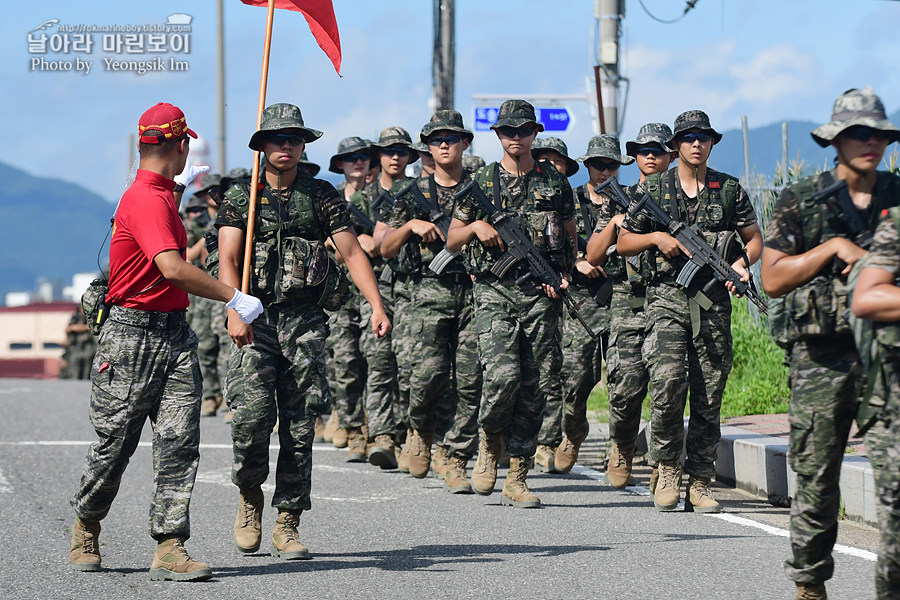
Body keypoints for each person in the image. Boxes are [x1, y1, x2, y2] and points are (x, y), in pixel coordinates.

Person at [69, 102, 264, 580]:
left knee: (179, 441)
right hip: (132, 336)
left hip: (173, 334)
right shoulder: (145, 199)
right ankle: (86, 522)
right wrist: (234, 298)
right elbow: (172, 268)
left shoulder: (159, 194)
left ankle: (170, 545)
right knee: (116, 444)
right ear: (179, 145)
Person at [217, 103, 389, 560]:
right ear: (262, 146)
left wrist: (376, 304)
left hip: (305, 322)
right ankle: (249, 498)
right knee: (252, 421)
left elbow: (351, 253)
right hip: (254, 319)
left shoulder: (321, 195)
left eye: (294, 139)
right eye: (278, 139)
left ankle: (288, 520)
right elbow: (229, 257)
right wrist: (235, 307)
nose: (286, 146)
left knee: (300, 425)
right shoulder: (242, 196)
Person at [763, 87, 900, 600]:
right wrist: (830, 249)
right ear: (836, 140)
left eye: (880, 134)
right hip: (822, 357)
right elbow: (773, 278)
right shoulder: (801, 198)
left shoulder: (897, 196)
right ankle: (810, 582)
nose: (871, 143)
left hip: (888, 357)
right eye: (858, 134)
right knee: (817, 477)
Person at [617, 110, 762, 513]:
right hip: (666, 298)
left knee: (709, 392)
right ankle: (666, 467)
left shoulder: (728, 189)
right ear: (676, 145)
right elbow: (624, 242)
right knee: (666, 384)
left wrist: (742, 265)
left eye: (703, 137)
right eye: (688, 137)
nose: (696, 144)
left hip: (713, 300)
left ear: (712, 143)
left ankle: (700, 480)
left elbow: (754, 240)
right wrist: (657, 237)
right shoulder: (656, 189)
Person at [448, 99, 577, 508]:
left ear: (535, 133)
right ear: (498, 135)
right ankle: (489, 444)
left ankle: (518, 473)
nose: (515, 137)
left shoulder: (554, 183)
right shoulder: (482, 182)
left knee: (535, 384)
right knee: (502, 377)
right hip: (493, 291)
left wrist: (563, 276)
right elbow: (452, 239)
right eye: (507, 131)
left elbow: (570, 239)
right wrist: (478, 225)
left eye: (522, 130)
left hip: (540, 295)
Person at [380, 110, 483, 491]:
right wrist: (409, 226)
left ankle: (455, 456)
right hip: (427, 290)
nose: (444, 145)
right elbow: (385, 249)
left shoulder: (481, 189)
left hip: (474, 291)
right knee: (427, 375)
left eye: (451, 139)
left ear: (464, 144)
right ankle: (420, 429)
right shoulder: (410, 194)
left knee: (471, 379)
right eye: (437, 139)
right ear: (427, 147)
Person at [583, 123, 675, 486]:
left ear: (671, 154)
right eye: (643, 150)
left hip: (667, 296)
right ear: (634, 157)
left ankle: (662, 462)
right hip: (627, 299)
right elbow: (592, 255)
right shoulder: (617, 197)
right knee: (625, 383)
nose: (651, 156)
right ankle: (622, 444)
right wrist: (616, 224)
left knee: (668, 383)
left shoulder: (679, 198)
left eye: (658, 149)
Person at [354, 127, 417, 470]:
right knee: (378, 361)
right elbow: (337, 239)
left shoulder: (420, 192)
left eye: (402, 151)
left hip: (410, 286)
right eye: (388, 151)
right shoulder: (362, 198)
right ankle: (381, 436)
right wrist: (360, 239)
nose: (395, 157)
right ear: (378, 155)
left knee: (408, 364)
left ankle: (410, 434)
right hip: (374, 287)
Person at [528, 136, 583, 473]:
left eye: (556, 162)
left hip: (578, 298)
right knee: (540, 369)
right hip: (536, 294)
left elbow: (573, 241)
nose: (550, 168)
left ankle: (562, 435)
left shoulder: (568, 200)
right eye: (543, 161)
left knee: (570, 374)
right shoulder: (527, 198)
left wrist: (569, 268)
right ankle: (540, 440)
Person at [324, 136, 376, 461]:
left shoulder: (381, 197)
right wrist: (335, 245)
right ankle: (353, 428)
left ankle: (373, 429)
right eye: (350, 158)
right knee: (343, 362)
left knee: (373, 361)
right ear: (340, 165)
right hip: (339, 294)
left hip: (374, 289)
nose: (358, 162)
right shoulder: (328, 199)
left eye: (363, 157)